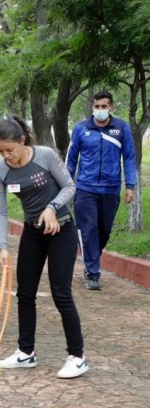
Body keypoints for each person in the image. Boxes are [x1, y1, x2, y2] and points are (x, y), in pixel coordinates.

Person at [0, 116, 88, 379]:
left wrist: (51, 208)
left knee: (61, 292)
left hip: (62, 230)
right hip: (32, 232)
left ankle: (77, 356)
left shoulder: (44, 156)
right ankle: (26, 353)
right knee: (25, 294)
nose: (6, 156)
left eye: (9, 150)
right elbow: (0, 211)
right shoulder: (0, 171)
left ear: (22, 141)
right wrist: (2, 246)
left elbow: (70, 186)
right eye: (0, 151)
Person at [66, 90, 137, 291]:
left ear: (111, 108)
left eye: (103, 107)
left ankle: (91, 259)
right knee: (88, 230)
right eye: (96, 107)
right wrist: (66, 185)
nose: (99, 110)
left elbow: (130, 158)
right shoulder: (81, 129)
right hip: (85, 188)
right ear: (92, 107)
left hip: (111, 189)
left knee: (104, 230)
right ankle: (93, 273)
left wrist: (130, 186)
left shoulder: (121, 128)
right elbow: (71, 160)